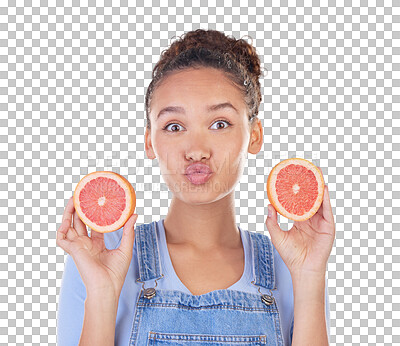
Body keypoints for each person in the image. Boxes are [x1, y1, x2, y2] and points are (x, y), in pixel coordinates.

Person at [56, 29, 335, 346]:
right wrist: (102, 292)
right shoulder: (104, 254)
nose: (197, 149)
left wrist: (310, 276)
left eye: (220, 123)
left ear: (254, 135)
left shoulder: (292, 262)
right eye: (174, 126)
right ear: (150, 141)